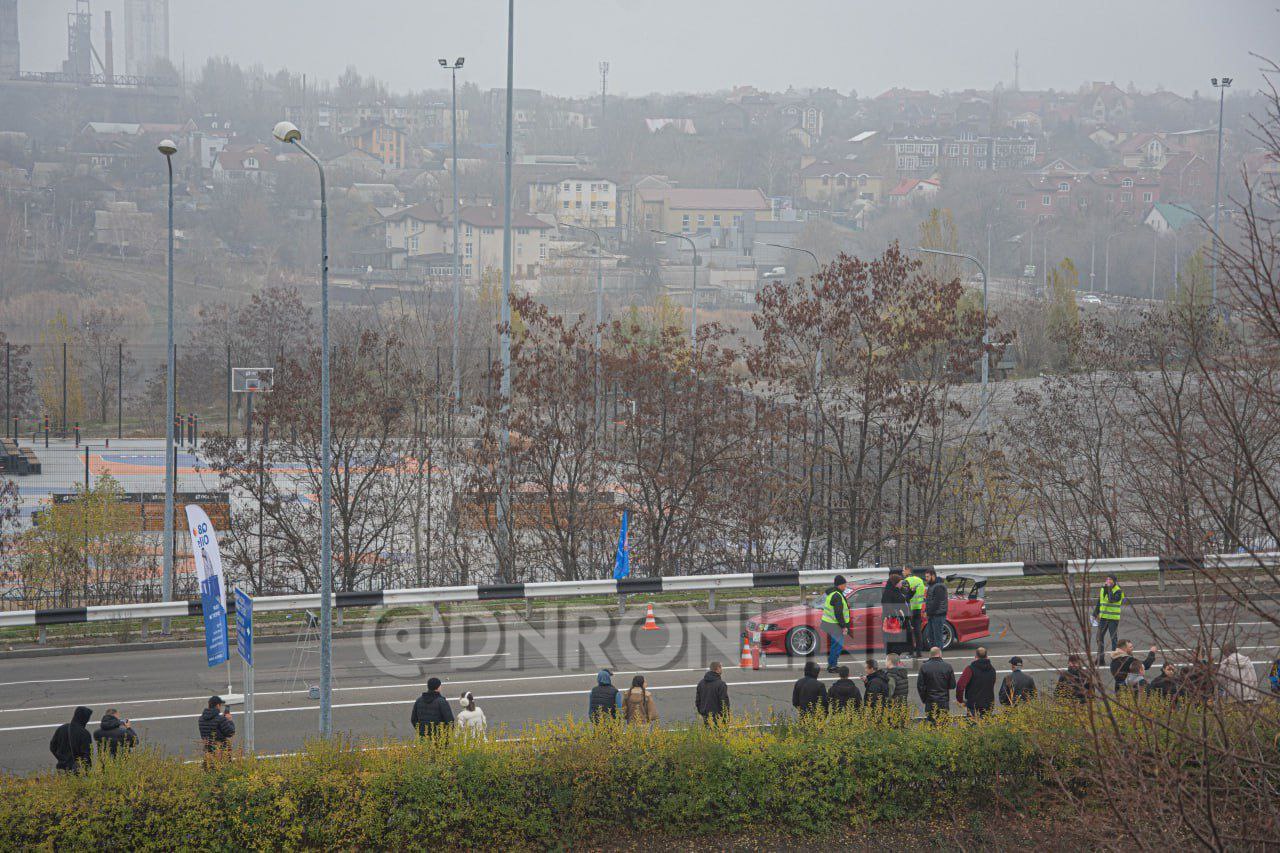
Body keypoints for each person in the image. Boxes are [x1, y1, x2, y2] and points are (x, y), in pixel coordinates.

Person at [820, 575, 850, 673]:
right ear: (840, 585)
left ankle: (832, 664)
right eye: (844, 584)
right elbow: (838, 613)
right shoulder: (837, 595)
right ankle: (832, 666)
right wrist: (843, 626)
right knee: (837, 646)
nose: (845, 586)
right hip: (834, 624)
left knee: (835, 645)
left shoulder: (832, 593)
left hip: (829, 623)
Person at [917, 646, 956, 722]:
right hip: (943, 701)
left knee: (931, 724)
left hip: (930, 701)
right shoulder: (948, 666)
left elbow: (920, 686)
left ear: (930, 655)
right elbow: (952, 685)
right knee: (943, 724)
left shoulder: (924, 667)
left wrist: (924, 699)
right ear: (940, 654)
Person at [956, 647, 997, 717]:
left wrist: (960, 700)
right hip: (988, 703)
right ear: (987, 657)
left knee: (973, 724)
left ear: (976, 657)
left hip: (973, 704)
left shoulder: (970, 669)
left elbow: (960, 685)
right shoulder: (992, 670)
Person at [50, 706, 93, 772]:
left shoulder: (62, 728)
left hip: (62, 767)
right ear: (84, 718)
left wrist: (61, 758)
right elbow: (86, 755)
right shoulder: (84, 733)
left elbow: (52, 747)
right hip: (78, 770)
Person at [1093, 575, 1125, 665]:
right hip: (1103, 617)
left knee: (1113, 639)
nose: (1108, 581)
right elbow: (1100, 602)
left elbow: (1111, 600)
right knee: (1099, 637)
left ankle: (1115, 659)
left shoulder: (1118, 591)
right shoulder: (1103, 589)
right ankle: (1100, 659)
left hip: (1113, 619)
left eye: (1110, 579)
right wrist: (1095, 614)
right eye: (1107, 579)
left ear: (1114, 581)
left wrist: (1109, 589)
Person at [880, 573, 912, 656]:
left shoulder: (898, 591)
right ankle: (892, 663)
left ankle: (896, 660)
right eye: (900, 582)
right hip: (892, 622)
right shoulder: (888, 593)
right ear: (895, 583)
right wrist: (898, 612)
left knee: (899, 644)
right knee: (893, 644)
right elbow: (887, 607)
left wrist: (912, 592)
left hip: (900, 622)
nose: (901, 584)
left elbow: (904, 600)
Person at [902, 565, 927, 657]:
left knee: (909, 631)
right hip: (918, 608)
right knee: (917, 631)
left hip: (909, 609)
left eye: (903, 570)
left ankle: (911, 652)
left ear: (908, 570)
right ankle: (919, 652)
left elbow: (905, 596)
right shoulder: (920, 580)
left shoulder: (906, 581)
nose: (902, 572)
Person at [922, 569, 949, 652]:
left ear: (933, 576)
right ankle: (932, 657)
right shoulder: (932, 585)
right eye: (925, 576)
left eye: (927, 577)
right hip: (932, 615)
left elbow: (937, 603)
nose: (926, 578)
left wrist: (928, 612)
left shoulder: (939, 586)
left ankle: (938, 658)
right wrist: (926, 611)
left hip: (938, 615)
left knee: (937, 638)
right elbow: (929, 601)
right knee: (931, 637)